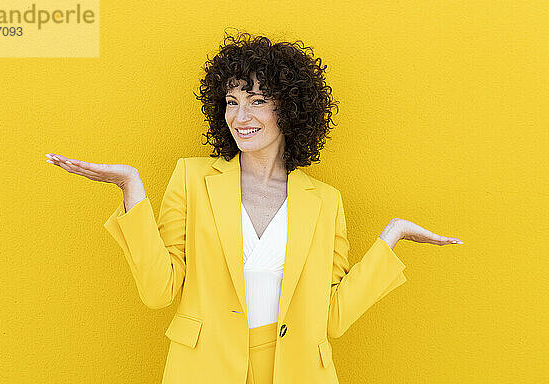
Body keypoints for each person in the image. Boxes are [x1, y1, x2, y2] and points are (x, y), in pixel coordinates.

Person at [45, 31, 463, 384]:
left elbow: (332, 317)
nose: (240, 116)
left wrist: (391, 238)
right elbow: (159, 290)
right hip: (204, 369)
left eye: (257, 101)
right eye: (231, 101)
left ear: (290, 109)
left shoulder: (325, 201)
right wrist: (129, 186)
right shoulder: (192, 179)